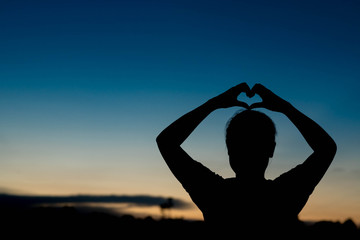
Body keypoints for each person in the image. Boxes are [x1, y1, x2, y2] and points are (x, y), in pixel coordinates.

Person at [156, 83, 336, 235]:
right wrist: (286, 108)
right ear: (271, 150)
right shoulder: (285, 195)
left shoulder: (214, 194)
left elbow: (166, 142)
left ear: (229, 151)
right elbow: (326, 149)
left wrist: (213, 104)